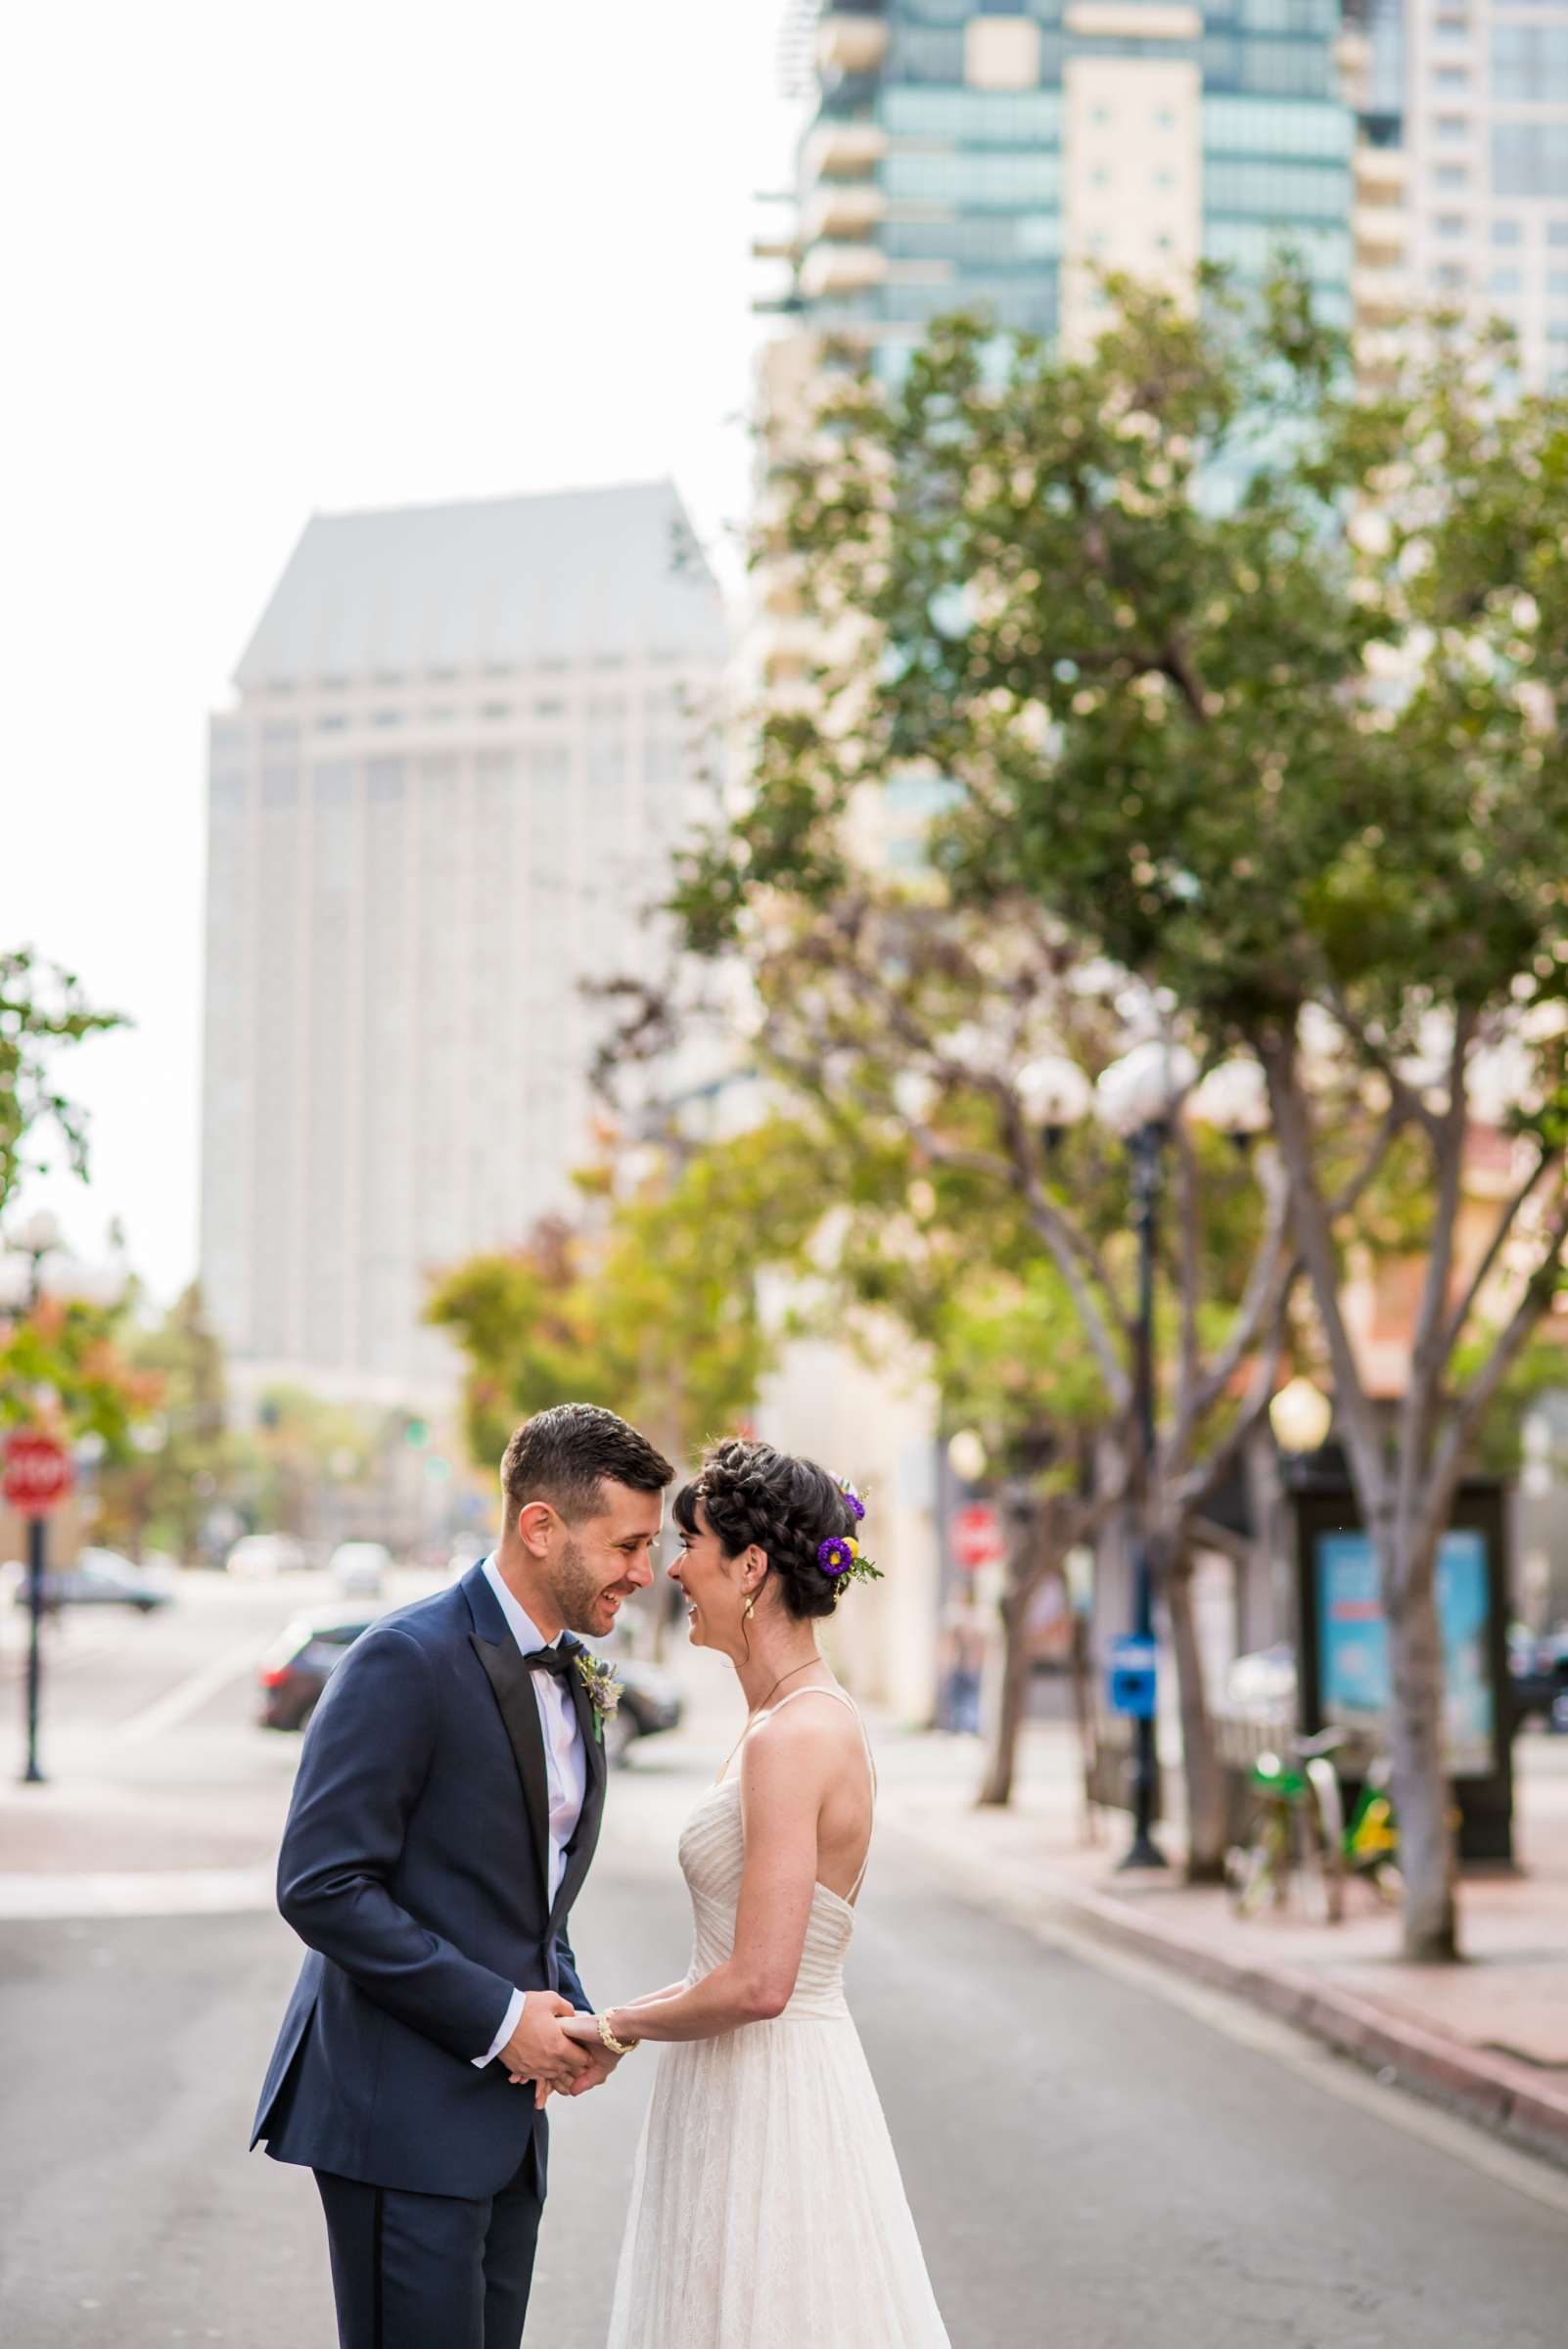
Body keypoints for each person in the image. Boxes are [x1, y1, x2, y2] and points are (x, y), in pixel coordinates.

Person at [250, 1403, 674, 2349]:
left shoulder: (575, 1674)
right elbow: (320, 1883)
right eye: (628, 1544)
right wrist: (498, 2018)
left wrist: (567, 2012)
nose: (645, 1573)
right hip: (396, 2118)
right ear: (540, 1527)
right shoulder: (404, 1659)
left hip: (504, 2128)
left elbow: (526, 1889)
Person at [566, 1435, 953, 2349]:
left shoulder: (794, 1737)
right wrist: (615, 2023)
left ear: (748, 1567)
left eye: (688, 1547)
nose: (671, 1572)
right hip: (736, 2077)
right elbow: (729, 1964)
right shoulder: (783, 1721)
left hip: (772, 2092)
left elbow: (758, 1982)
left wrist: (616, 2026)